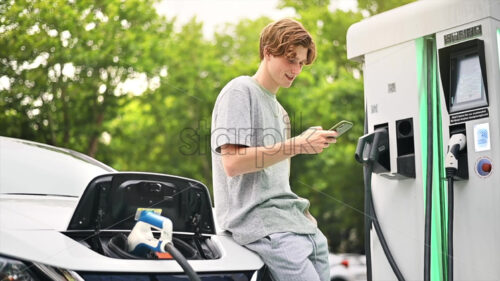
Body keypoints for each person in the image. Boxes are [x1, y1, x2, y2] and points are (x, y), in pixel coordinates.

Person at [210, 18, 337, 281]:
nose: (297, 69)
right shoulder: (239, 90)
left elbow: (274, 183)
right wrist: (299, 144)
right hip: (265, 228)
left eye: (301, 63)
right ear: (268, 51)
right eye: (291, 60)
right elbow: (232, 163)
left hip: (299, 225)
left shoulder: (281, 113)